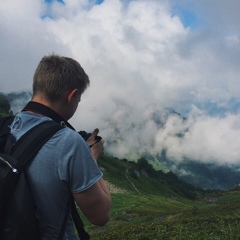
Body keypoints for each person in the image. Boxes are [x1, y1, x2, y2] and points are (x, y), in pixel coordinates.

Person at [9, 54, 111, 239]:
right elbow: (101, 215)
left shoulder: (5, 127)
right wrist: (92, 157)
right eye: (78, 100)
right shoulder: (68, 143)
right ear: (71, 96)